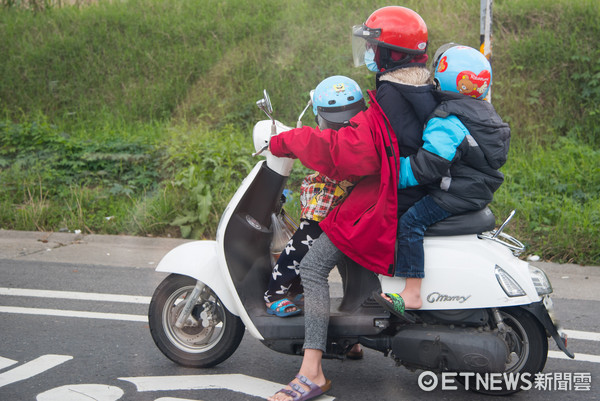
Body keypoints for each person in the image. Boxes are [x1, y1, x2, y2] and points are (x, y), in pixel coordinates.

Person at [267, 6, 439, 401]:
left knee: (311, 267)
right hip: (409, 194)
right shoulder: (423, 90)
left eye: (374, 46)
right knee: (341, 240)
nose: (369, 53)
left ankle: (311, 371)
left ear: (391, 54)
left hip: (384, 200)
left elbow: (345, 154)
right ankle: (350, 339)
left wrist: (288, 139)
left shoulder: (391, 98)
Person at [374, 45, 511, 317]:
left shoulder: (448, 119)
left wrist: (392, 173)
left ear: (443, 80)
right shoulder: (484, 112)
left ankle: (411, 292)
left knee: (411, 221)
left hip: (454, 193)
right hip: (476, 189)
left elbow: (428, 166)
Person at [264, 75, 365, 318]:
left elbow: (304, 140)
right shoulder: (359, 134)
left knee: (301, 246)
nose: (341, 126)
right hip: (337, 201)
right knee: (304, 244)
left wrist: (277, 143)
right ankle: (285, 290)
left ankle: (277, 292)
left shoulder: (325, 137)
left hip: (332, 202)